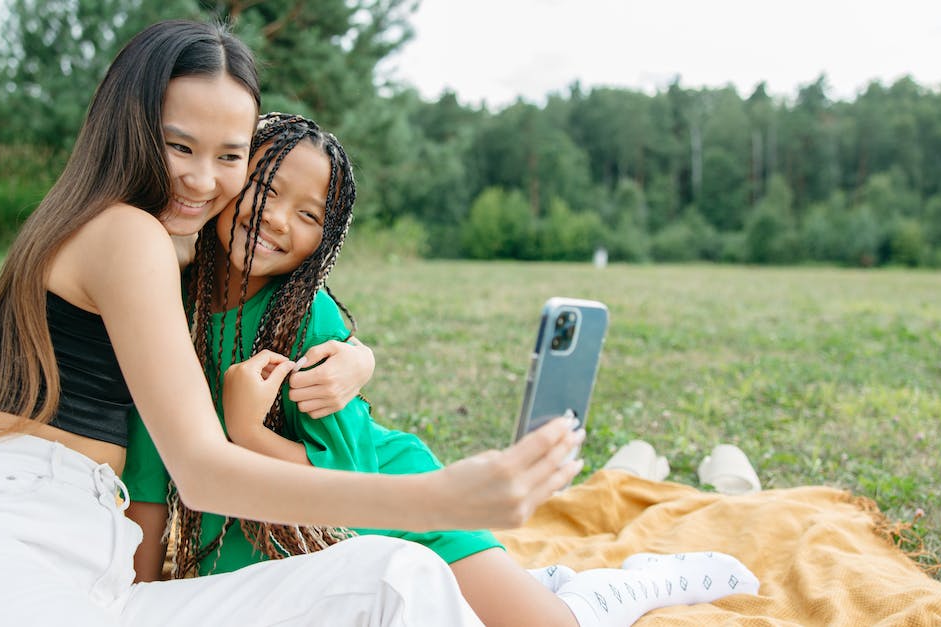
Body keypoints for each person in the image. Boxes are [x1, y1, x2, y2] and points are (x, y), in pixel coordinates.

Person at [0, 20, 587, 627]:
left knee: (398, 577)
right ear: (130, 126)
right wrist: (441, 496)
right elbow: (203, 472)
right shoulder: (124, 234)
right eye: (179, 146)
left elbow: (275, 303)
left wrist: (356, 354)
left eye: (230, 156)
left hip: (95, 578)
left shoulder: (165, 252)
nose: (204, 179)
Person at [122, 113, 761, 627]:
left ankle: (626, 586)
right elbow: (152, 464)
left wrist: (247, 432)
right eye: (267, 187)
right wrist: (140, 595)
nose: (278, 218)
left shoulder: (309, 321)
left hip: (398, 509)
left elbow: (354, 481)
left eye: (311, 214)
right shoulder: (166, 304)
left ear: (328, 239)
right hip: (266, 536)